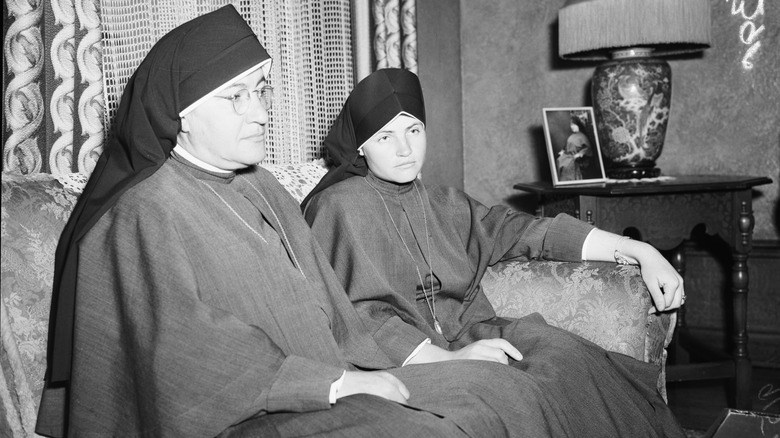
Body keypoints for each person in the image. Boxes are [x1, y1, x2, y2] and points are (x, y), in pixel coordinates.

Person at [34, 7, 564, 437]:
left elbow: (338, 319)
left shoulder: (263, 186)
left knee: (506, 389)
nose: (261, 112)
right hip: (249, 412)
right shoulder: (143, 210)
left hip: (327, 383)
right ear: (181, 115)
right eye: (235, 97)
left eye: (261, 91)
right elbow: (185, 353)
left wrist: (423, 362)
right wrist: (333, 386)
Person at [302, 68, 687, 437]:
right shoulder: (339, 207)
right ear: (361, 147)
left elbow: (522, 231)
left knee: (566, 356)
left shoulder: (444, 202)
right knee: (517, 397)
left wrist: (636, 250)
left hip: (472, 334)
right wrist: (450, 359)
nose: (405, 149)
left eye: (414, 130)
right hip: (402, 361)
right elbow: (357, 317)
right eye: (386, 137)